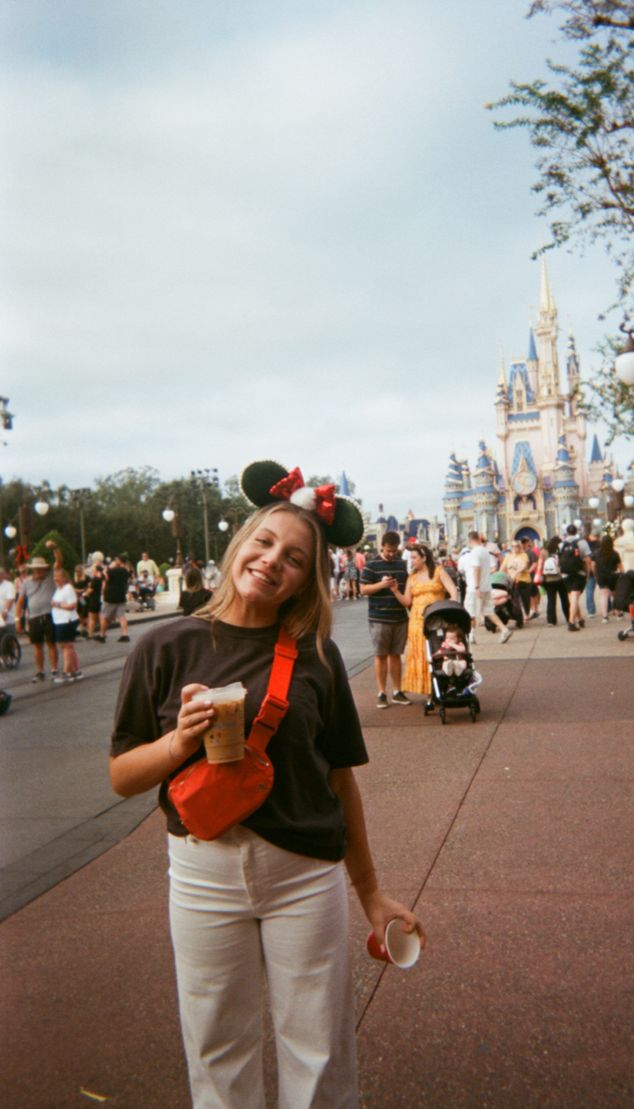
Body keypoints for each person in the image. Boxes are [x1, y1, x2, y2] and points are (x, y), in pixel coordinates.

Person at [109, 464, 424, 1109]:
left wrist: (371, 893)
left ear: (309, 579)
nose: (271, 561)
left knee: (319, 1047)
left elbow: (340, 780)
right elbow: (120, 776)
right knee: (217, 1045)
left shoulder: (316, 655)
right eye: (264, 543)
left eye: (295, 558)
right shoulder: (164, 646)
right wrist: (179, 743)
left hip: (305, 872)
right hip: (201, 873)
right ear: (240, 544)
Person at [392, 543, 457, 702]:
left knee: (437, 650)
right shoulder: (412, 577)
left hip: (437, 618)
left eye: (414, 557)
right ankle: (428, 690)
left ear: (424, 557)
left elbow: (453, 591)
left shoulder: (438, 571)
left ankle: (440, 686)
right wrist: (395, 591)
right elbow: (407, 601)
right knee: (422, 654)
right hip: (417, 621)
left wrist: (451, 608)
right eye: (411, 558)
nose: (411, 561)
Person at [360, 530, 411, 709]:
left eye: (394, 551)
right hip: (378, 617)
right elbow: (363, 589)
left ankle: (397, 691)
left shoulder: (402, 564)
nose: (391, 554)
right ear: (382, 546)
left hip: (399, 617)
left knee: (396, 655)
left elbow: (407, 588)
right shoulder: (371, 564)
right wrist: (382, 585)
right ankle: (382, 692)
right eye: (388, 550)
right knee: (380, 655)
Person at [16, 542, 63, 683]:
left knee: (51, 643)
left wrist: (55, 548)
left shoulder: (49, 577)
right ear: (32, 569)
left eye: (40, 569)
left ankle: (54, 669)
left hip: (49, 615)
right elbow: (20, 601)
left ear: (44, 569)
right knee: (37, 645)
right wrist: (18, 619)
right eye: (35, 569)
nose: (38, 571)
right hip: (34, 617)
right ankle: (40, 671)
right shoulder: (26, 583)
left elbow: (59, 562)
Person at [464, 531, 512, 644]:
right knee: (488, 611)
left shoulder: (475, 552)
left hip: (475, 587)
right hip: (486, 585)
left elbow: (476, 569)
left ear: (470, 540)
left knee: (471, 611)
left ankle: (471, 635)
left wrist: (476, 587)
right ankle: (504, 629)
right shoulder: (485, 551)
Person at [50, 566, 82, 683]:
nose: (55, 579)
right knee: (68, 646)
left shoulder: (68, 588)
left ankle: (67, 672)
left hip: (66, 620)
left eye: (57, 577)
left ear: (64, 578)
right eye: (54, 577)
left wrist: (57, 605)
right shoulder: (59, 589)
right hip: (59, 620)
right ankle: (76, 670)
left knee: (66, 646)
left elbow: (72, 605)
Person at [559, 524, 592, 631]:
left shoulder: (561, 544)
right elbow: (588, 560)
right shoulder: (582, 542)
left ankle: (580, 619)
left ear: (567, 532)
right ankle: (571, 622)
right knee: (574, 598)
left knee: (572, 597)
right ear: (576, 531)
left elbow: (558, 560)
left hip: (565, 575)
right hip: (579, 573)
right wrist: (587, 575)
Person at [97, 555, 131, 643]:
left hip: (110, 597)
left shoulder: (113, 570)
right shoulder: (125, 571)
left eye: (116, 559)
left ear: (119, 561)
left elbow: (105, 577)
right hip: (121, 596)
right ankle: (125, 634)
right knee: (121, 616)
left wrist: (107, 568)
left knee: (105, 616)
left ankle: (102, 635)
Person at [538, 536, 570, 626]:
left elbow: (540, 565)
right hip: (560, 579)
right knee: (564, 599)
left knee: (551, 600)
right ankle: (568, 617)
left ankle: (551, 620)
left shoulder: (543, 552)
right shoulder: (560, 551)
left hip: (548, 579)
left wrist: (540, 576)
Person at [500, 539, 533, 622]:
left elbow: (525, 565)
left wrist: (517, 572)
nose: (515, 548)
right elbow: (503, 567)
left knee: (525, 599)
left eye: (517, 546)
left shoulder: (523, 555)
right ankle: (521, 616)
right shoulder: (508, 556)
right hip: (513, 581)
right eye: (513, 546)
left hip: (524, 581)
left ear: (519, 547)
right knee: (515, 599)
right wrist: (499, 575)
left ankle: (527, 613)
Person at [594, 534, 622, 622]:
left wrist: (596, 574)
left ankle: (605, 617)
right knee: (615, 595)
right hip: (613, 576)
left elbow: (593, 565)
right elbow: (620, 566)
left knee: (604, 596)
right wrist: (622, 574)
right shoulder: (614, 553)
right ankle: (617, 613)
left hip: (601, 576)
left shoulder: (597, 553)